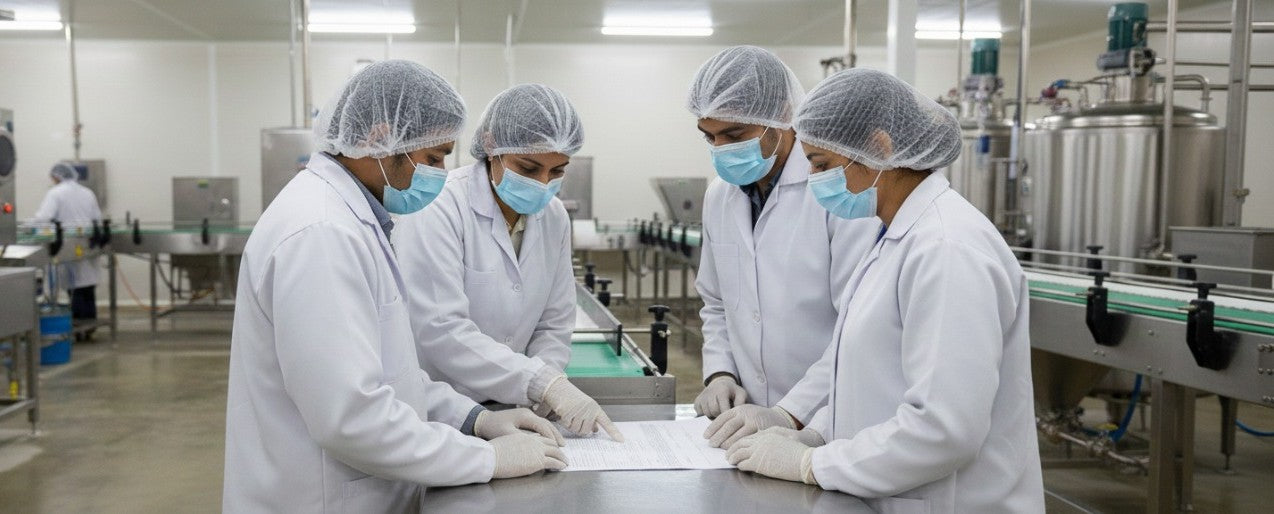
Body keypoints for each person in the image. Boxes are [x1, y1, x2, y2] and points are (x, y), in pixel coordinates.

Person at [223, 60, 568, 513]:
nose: (442, 173)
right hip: (319, 497)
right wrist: (486, 458)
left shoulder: (355, 220)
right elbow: (350, 417)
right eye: (433, 157)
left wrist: (476, 419)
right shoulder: (322, 233)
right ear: (378, 139)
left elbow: (392, 373)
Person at [725, 68, 1044, 512]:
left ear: (879, 147)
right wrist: (812, 429)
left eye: (821, 165)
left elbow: (943, 430)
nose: (816, 180)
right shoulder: (893, 237)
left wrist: (813, 463)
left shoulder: (946, 249)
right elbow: (865, 369)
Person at [395, 84, 622, 442]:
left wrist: (547, 384)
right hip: (444, 412)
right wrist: (541, 383)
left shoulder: (555, 216)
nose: (542, 183)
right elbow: (441, 328)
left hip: (518, 411)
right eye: (529, 168)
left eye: (558, 171)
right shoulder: (440, 207)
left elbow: (555, 319)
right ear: (491, 148)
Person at [685, 46, 878, 447]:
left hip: (828, 419)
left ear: (783, 116)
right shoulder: (720, 196)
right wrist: (720, 373)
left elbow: (858, 327)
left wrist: (791, 413)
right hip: (746, 420)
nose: (721, 149)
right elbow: (717, 302)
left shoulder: (835, 193)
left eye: (734, 135)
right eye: (710, 137)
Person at [32, 162, 103, 338]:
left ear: (57, 176)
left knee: (73, 287)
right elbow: (97, 219)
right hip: (87, 244)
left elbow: (43, 218)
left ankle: (77, 328)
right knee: (87, 287)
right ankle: (89, 327)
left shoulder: (55, 193)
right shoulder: (88, 193)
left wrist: (28, 225)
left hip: (66, 246)